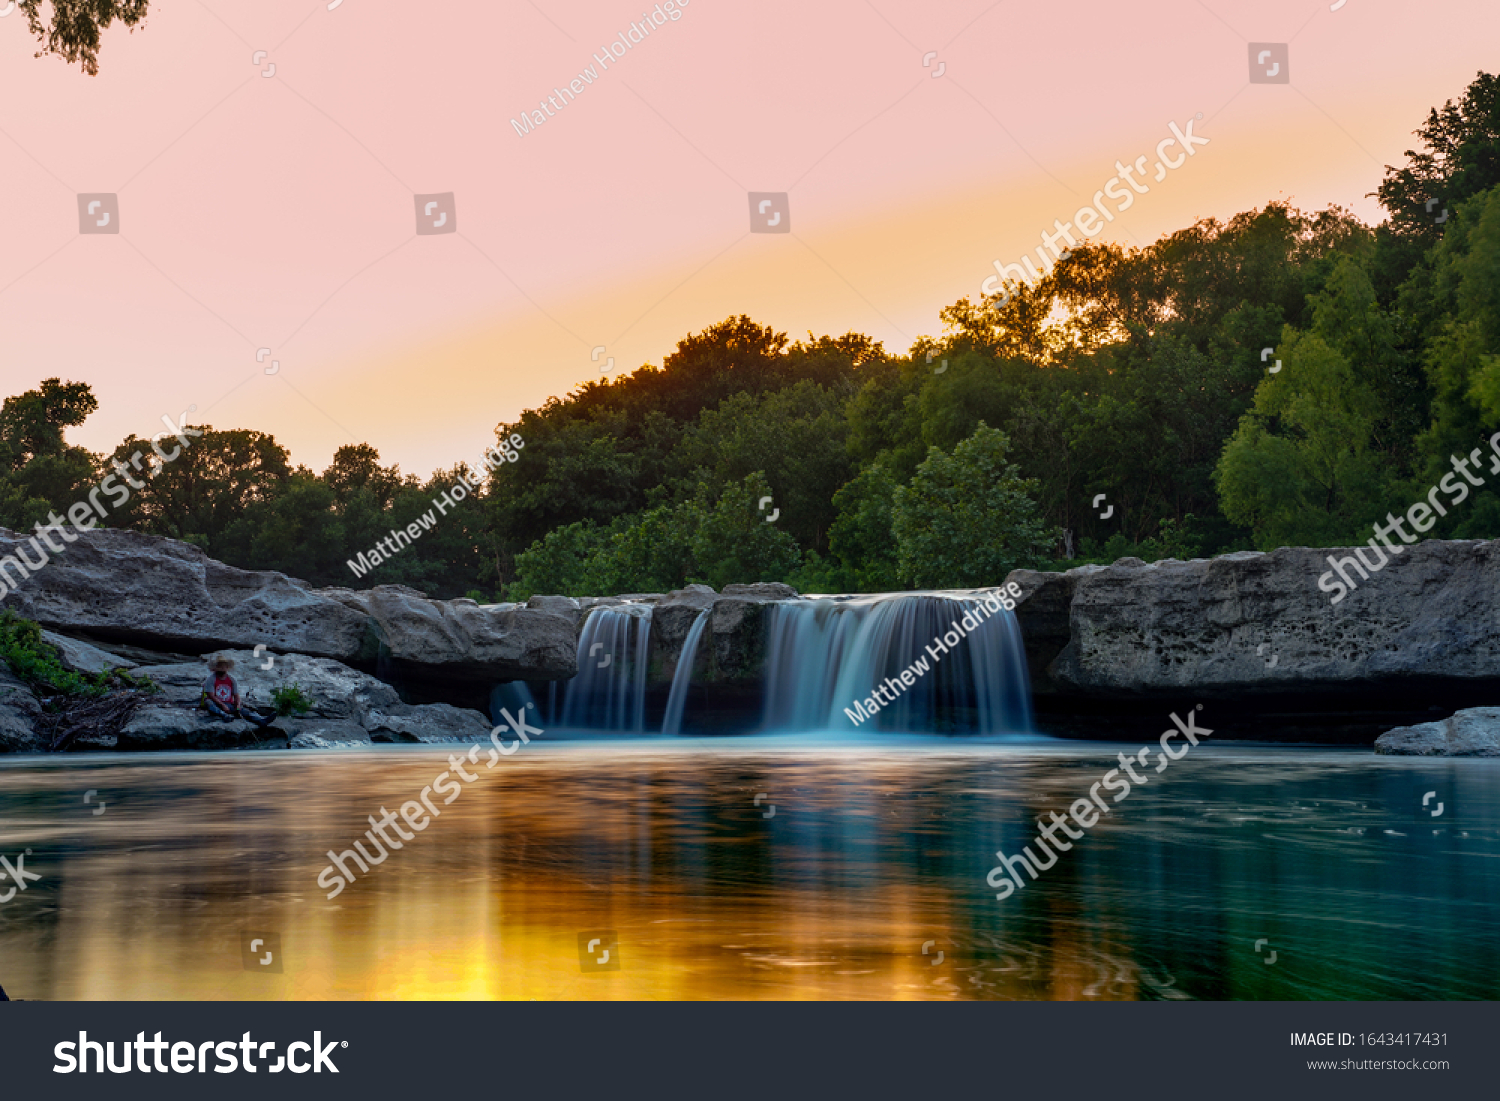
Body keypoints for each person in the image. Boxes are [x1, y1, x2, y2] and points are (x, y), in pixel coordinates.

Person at [200, 654, 274, 726]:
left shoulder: (232, 679)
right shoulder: (211, 679)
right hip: (216, 703)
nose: (222, 668)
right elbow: (211, 696)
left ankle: (260, 720)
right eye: (220, 666)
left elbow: (236, 695)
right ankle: (224, 715)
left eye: (224, 666)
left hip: (229, 704)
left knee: (245, 711)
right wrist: (222, 706)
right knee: (208, 702)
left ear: (227, 667)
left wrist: (238, 705)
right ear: (216, 668)